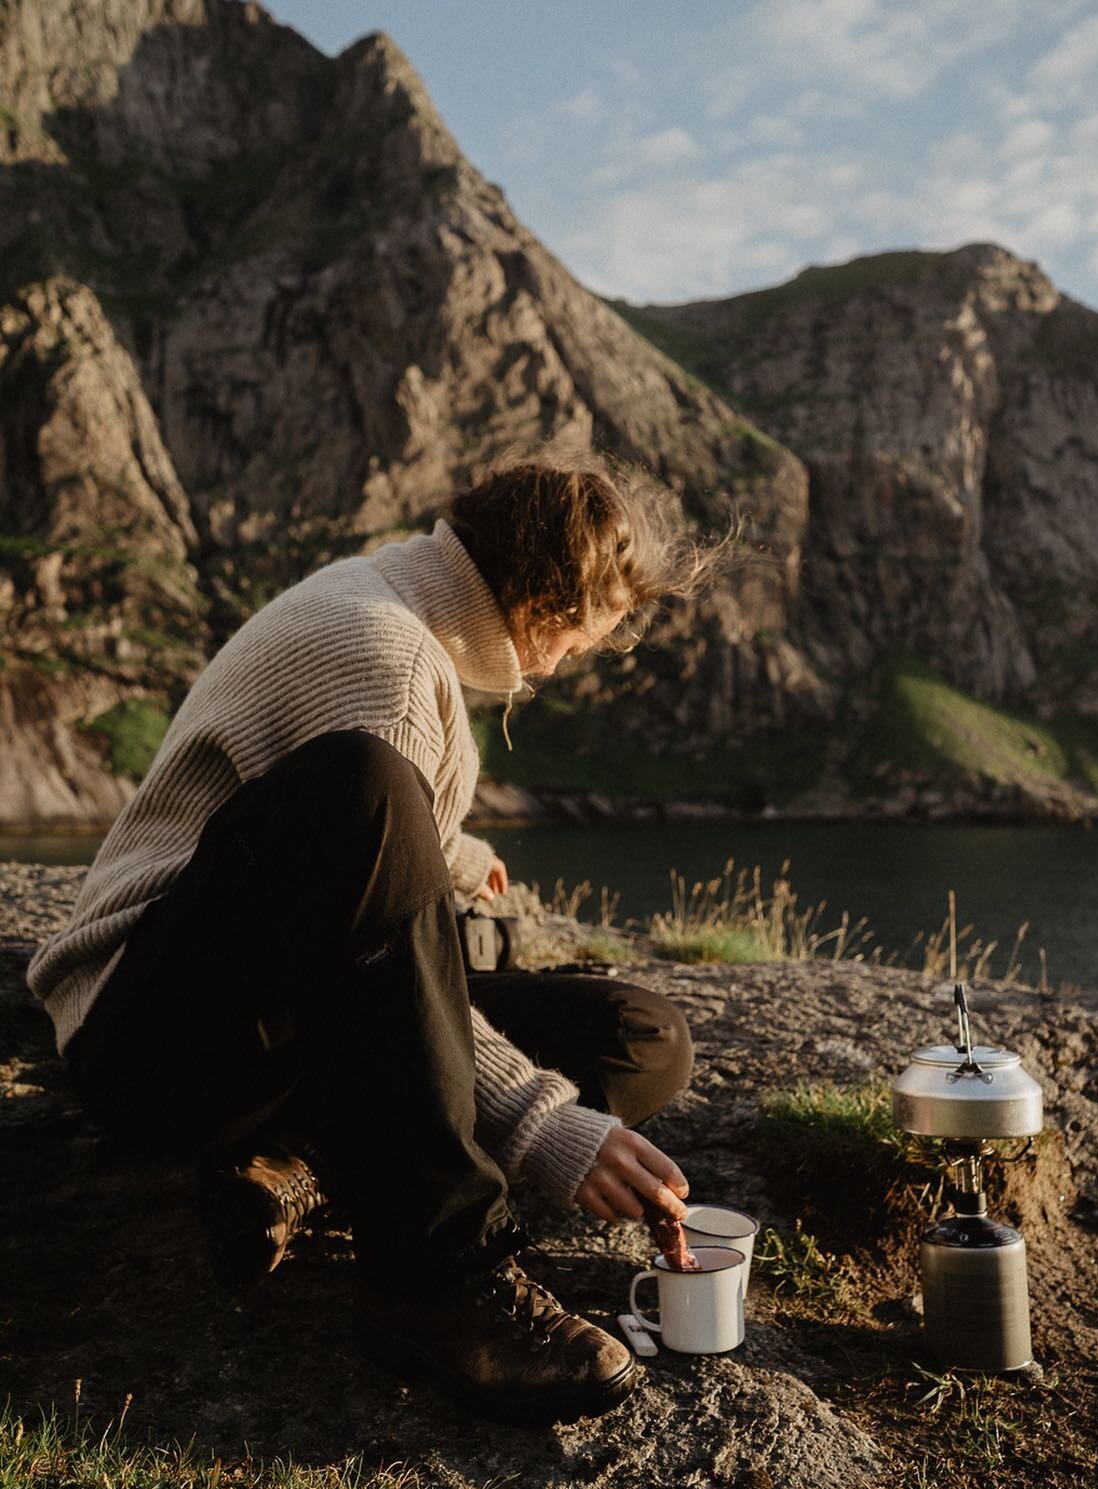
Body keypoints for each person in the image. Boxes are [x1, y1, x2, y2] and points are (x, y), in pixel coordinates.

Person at [26, 450, 713, 1424]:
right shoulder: (378, 653)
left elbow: (365, 866)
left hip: (275, 1007)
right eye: (601, 628)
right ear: (552, 602)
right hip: (153, 1034)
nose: (592, 653)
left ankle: (304, 1160)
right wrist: (538, 1119)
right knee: (364, 781)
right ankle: (432, 1272)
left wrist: (455, 855)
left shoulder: (394, 605)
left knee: (639, 1034)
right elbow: (362, 828)